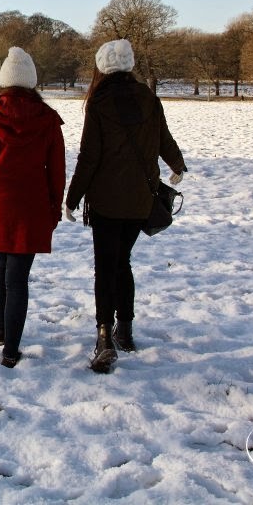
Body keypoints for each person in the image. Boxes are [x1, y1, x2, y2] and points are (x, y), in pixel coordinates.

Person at [64, 39, 187, 373]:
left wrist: (72, 198)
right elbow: (164, 138)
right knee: (123, 262)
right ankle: (126, 329)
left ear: (102, 67)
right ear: (129, 65)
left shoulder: (99, 102)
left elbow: (89, 156)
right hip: (139, 199)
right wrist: (178, 165)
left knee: (106, 267)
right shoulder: (149, 98)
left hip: (104, 200)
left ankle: (104, 334)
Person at [0, 47, 66, 368]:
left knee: (1, 268)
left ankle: (3, 333)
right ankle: (9, 349)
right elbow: (57, 173)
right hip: (31, 207)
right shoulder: (47, 120)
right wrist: (53, 210)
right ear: (32, 83)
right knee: (17, 277)